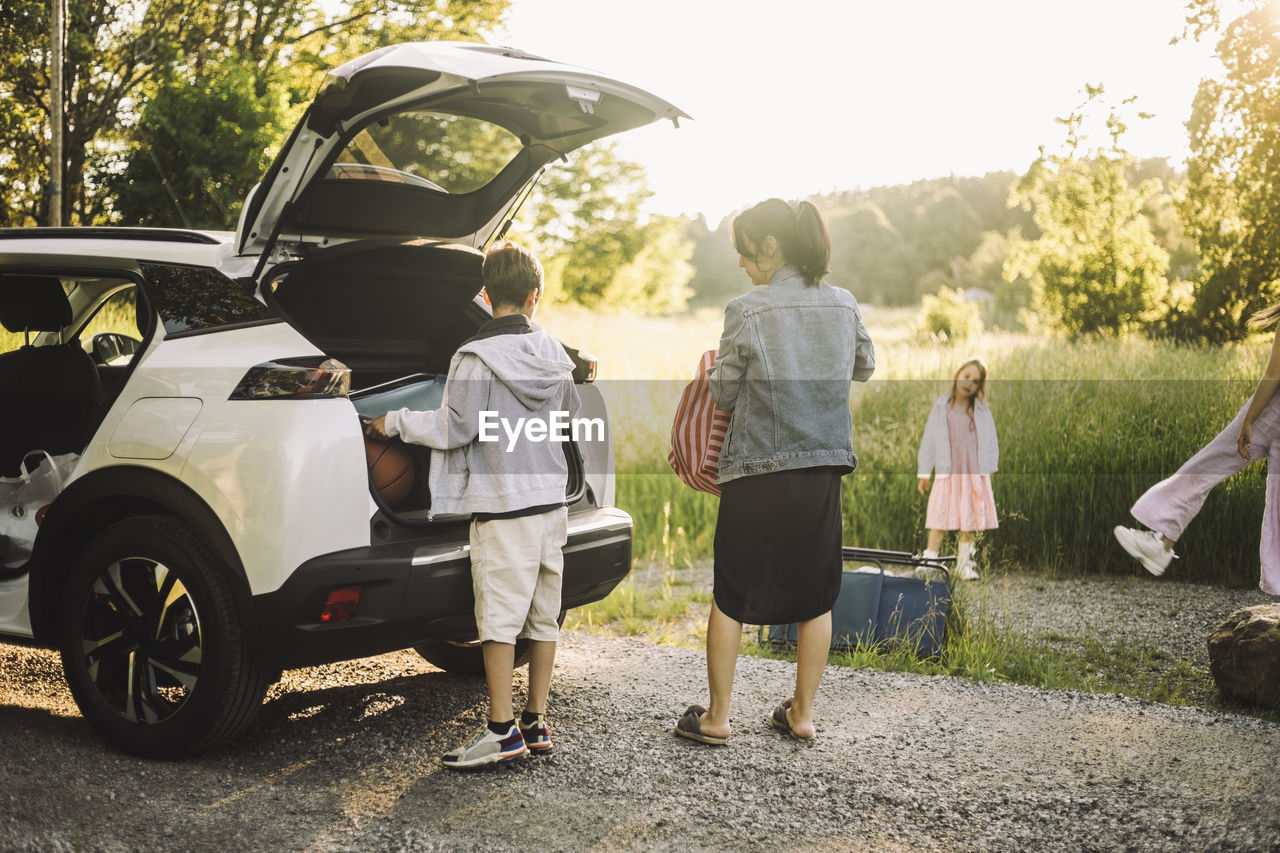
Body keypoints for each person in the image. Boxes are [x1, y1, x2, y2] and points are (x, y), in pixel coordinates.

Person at [364, 242, 579, 767]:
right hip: (550, 505)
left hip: (503, 510)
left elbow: (455, 427)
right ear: (535, 296)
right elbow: (568, 416)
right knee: (542, 619)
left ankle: (502, 732)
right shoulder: (557, 354)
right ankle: (535, 723)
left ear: (486, 295)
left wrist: (391, 422)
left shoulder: (473, 357)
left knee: (499, 625)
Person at [674, 198, 875, 744]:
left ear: (769, 247)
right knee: (817, 593)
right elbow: (865, 366)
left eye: (744, 252)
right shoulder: (844, 303)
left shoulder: (747, 309)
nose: (741, 264)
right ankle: (802, 715)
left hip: (756, 470)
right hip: (822, 470)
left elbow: (725, 391)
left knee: (731, 592)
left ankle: (716, 719)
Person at [1114, 301, 1280, 596]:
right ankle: (1162, 542)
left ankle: (1162, 543)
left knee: (1209, 465)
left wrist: (1250, 420)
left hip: (1273, 409)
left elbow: (1272, 375)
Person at [915, 358, 999, 580]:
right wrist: (924, 473)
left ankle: (964, 564)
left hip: (972, 472)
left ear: (979, 387)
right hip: (948, 470)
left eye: (975, 381)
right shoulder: (942, 407)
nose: (969, 383)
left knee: (968, 518)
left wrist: (989, 470)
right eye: (966, 376)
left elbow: (991, 440)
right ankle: (931, 559)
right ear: (957, 375)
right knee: (939, 514)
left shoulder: (981, 410)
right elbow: (929, 440)